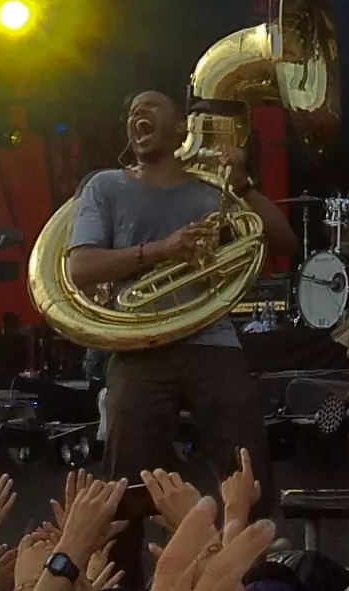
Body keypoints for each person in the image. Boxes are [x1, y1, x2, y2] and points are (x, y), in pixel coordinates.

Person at [60, 88, 296, 492]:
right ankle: (121, 557)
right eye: (132, 110)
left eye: (150, 106)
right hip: (138, 345)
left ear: (181, 127)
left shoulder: (213, 190)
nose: (137, 113)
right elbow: (80, 267)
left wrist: (243, 186)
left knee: (247, 471)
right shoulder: (106, 186)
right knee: (124, 483)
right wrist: (167, 249)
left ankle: (256, 548)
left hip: (212, 341)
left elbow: (287, 244)